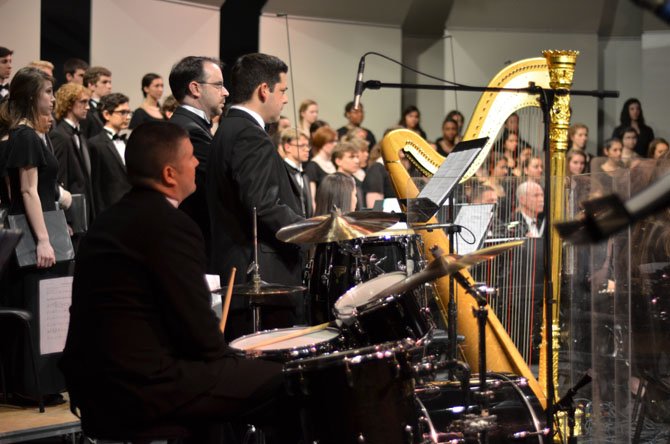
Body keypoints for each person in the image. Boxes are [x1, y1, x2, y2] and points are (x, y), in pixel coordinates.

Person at [60, 121, 297, 442]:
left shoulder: (106, 221)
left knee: (223, 393)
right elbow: (197, 330)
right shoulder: (171, 225)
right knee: (291, 381)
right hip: (144, 386)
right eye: (190, 157)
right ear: (170, 174)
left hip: (92, 384)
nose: (198, 163)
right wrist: (233, 357)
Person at [207, 53, 304, 338]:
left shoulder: (231, 128)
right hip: (259, 275)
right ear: (264, 90)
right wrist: (311, 232)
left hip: (241, 272)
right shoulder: (248, 134)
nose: (285, 99)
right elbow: (261, 204)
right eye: (283, 90)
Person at [0, 66, 72, 404]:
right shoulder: (25, 136)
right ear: (31, 96)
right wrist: (43, 239)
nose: (53, 98)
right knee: (35, 309)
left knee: (48, 312)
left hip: (41, 227)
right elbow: (27, 193)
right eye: (47, 92)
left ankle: (40, 384)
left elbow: (42, 190)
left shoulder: (28, 135)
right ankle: (30, 387)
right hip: (32, 236)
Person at [169, 57, 228, 268]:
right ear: (195, 88)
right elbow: (216, 189)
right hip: (195, 245)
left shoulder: (191, 125)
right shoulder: (190, 130)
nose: (226, 92)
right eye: (219, 85)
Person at [51, 82, 96, 221]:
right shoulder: (59, 136)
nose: (87, 107)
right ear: (69, 103)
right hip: (71, 213)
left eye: (88, 102)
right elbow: (59, 179)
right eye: (83, 102)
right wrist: (66, 220)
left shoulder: (80, 135)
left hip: (85, 210)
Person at [87, 93, 132, 215]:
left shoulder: (128, 142)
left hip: (132, 207)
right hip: (109, 209)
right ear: (106, 114)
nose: (128, 117)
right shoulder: (95, 144)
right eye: (123, 112)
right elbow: (95, 185)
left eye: (129, 112)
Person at [279, 128, 312, 218]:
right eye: (302, 146)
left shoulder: (305, 175)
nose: (307, 149)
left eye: (308, 145)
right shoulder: (280, 171)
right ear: (287, 147)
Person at [304, 125, 337, 205]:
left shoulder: (334, 164)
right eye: (331, 142)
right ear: (322, 143)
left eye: (336, 141)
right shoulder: (313, 166)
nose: (335, 144)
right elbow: (311, 198)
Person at [81, 66, 112, 140]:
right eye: (104, 82)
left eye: (110, 82)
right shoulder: (84, 108)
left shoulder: (110, 108)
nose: (109, 86)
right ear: (91, 85)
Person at [332, 141, 363, 210]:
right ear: (338, 161)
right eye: (351, 157)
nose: (356, 161)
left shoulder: (355, 181)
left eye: (357, 157)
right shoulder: (333, 183)